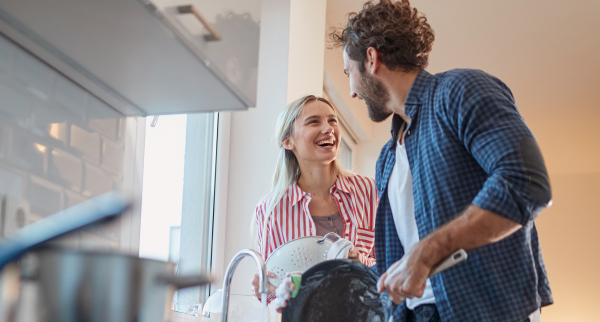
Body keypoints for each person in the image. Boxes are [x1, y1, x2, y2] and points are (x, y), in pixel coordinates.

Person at [330, 1, 552, 321]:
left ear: (371, 59)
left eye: (348, 73)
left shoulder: (459, 90)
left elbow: (526, 182)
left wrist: (425, 251)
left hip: (486, 311)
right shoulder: (387, 159)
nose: (351, 91)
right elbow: (402, 263)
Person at [250, 95, 378, 309]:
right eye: (314, 121)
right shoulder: (271, 210)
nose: (328, 128)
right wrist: (264, 288)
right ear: (288, 141)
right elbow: (272, 295)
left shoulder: (369, 191)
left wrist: (360, 264)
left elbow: (398, 264)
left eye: (332, 120)